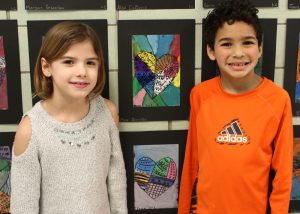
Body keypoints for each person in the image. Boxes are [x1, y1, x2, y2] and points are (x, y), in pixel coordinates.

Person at [178, 0, 293, 213]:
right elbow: (191, 162)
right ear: (211, 51)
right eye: (227, 44)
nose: (238, 53)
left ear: (259, 48)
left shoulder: (278, 100)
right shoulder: (200, 95)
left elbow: (284, 176)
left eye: (247, 42)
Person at [10, 21, 127, 214]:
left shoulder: (107, 112)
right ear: (46, 67)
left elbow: (116, 178)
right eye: (69, 61)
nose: (82, 72)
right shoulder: (31, 129)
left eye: (90, 62)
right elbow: (24, 206)